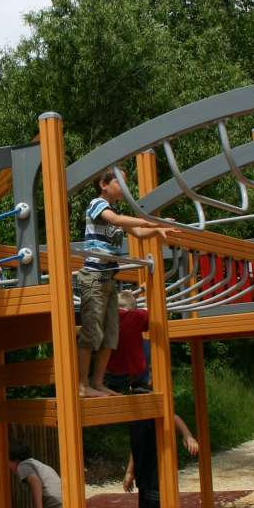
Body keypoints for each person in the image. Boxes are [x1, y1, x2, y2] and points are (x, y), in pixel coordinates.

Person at [76, 168, 172, 398]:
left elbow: (138, 232)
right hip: (94, 277)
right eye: (119, 182)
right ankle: (82, 385)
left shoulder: (116, 212)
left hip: (109, 279)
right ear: (104, 184)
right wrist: (152, 222)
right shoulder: (97, 204)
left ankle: (98, 382)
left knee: (111, 335)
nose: (124, 187)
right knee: (92, 332)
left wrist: (158, 229)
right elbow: (116, 220)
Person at [104, 289, 150, 393]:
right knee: (145, 342)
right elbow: (149, 311)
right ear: (133, 308)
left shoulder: (108, 316)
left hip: (112, 374)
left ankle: (111, 386)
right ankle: (140, 384)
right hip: (135, 372)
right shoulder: (137, 316)